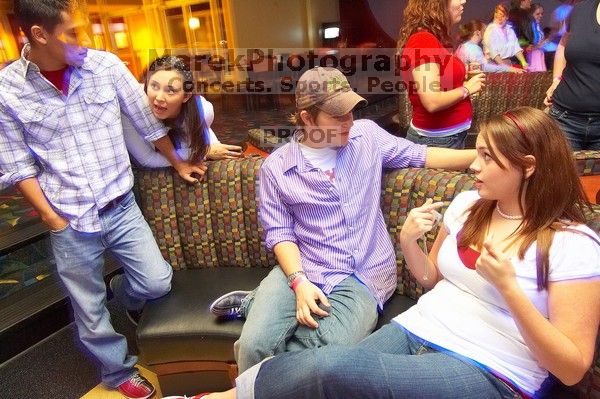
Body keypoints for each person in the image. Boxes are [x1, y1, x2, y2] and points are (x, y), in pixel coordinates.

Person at [197, 106, 600, 399]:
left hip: (490, 366)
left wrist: (511, 291)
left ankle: (222, 398)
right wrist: (408, 241)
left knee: (331, 366)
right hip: (417, 326)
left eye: (487, 157)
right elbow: (431, 282)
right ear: (306, 118)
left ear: (527, 166)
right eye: (475, 152)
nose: (473, 166)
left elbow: (570, 369)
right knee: (318, 372)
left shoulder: (572, 244)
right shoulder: (465, 208)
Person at [209, 66, 478, 375]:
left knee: (325, 352)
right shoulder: (277, 169)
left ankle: (255, 308)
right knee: (253, 345)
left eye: (350, 112)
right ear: (308, 119)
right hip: (304, 266)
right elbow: (280, 233)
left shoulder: (367, 136)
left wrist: (484, 154)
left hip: (364, 273)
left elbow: (422, 155)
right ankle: (258, 311)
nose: (349, 122)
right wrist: (298, 282)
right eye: (338, 116)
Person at [0, 1, 206, 398]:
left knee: (157, 282)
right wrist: (51, 218)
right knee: (90, 311)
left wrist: (178, 162)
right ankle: (117, 372)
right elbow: (17, 166)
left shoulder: (105, 67)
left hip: (120, 205)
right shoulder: (8, 91)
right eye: (72, 32)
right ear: (39, 34)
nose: (85, 39)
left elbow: (148, 123)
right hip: (69, 216)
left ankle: (123, 292)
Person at [123, 55, 243, 167]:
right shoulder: (130, 109)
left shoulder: (203, 110)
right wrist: (204, 152)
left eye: (170, 90)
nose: (159, 98)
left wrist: (208, 149)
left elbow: (200, 142)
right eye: (154, 86)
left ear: (186, 96)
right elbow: (148, 159)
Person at [398, 0, 485, 149]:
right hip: (437, 142)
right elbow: (432, 102)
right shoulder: (423, 40)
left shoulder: (432, 39)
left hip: (447, 138)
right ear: (438, 4)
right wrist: (467, 89)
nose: (464, 1)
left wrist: (460, 82)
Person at [544, 0, 600, 150]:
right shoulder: (580, 10)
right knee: (559, 173)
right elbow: (563, 44)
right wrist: (556, 80)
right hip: (565, 119)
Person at [455, 20, 524, 73]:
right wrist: (508, 69)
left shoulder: (464, 46)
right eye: (485, 30)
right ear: (477, 33)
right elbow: (484, 67)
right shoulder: (473, 48)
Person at [484, 3, 529, 70]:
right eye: (497, 16)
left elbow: (516, 48)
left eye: (502, 16)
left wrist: (524, 62)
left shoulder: (510, 30)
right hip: (494, 65)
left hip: (507, 63)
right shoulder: (490, 30)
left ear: (507, 17)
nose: (499, 18)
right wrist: (507, 68)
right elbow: (493, 53)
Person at [525, 3, 548, 72]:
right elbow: (529, 44)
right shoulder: (529, 27)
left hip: (540, 54)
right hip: (533, 56)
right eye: (537, 14)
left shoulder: (537, 26)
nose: (540, 16)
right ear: (531, 15)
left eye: (541, 14)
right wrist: (541, 44)